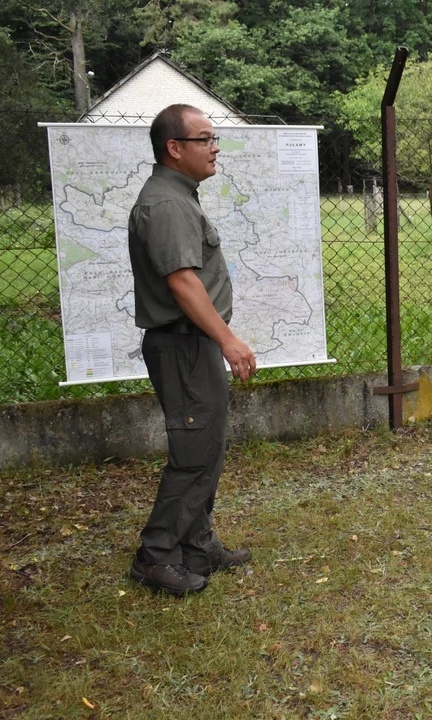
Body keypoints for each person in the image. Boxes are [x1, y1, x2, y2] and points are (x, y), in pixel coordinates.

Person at [127, 103, 256, 595]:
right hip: (184, 345)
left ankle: (198, 545)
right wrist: (228, 340)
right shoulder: (167, 204)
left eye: (214, 137)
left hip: (192, 345)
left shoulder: (179, 196)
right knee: (194, 454)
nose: (215, 147)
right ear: (174, 148)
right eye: (205, 139)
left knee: (206, 447)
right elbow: (182, 284)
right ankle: (155, 557)